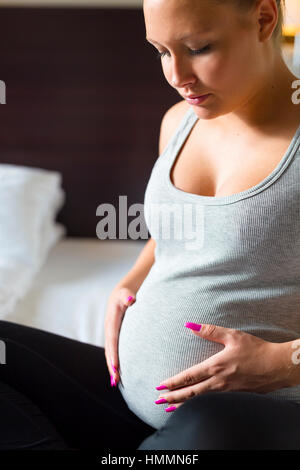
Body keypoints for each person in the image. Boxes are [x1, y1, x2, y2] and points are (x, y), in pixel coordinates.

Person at [1, 0, 300, 450]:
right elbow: (170, 236)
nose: (177, 76)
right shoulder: (178, 122)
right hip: (133, 400)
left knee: (205, 426)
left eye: (198, 47)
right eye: (161, 51)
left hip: (261, 412)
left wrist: (283, 363)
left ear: (263, 19)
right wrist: (130, 283)